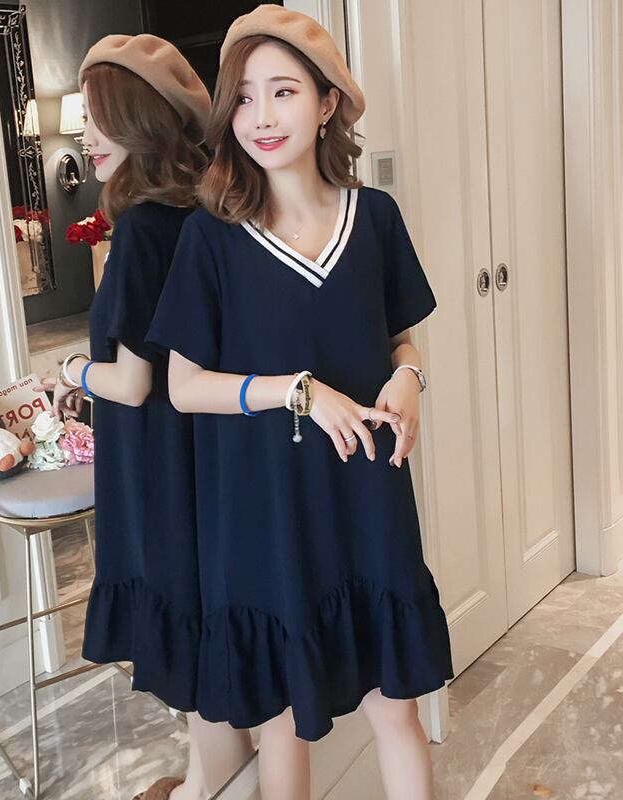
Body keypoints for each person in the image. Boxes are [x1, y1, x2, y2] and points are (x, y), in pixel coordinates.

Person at [145, 6, 455, 800]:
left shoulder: (374, 218)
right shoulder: (213, 239)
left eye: (283, 91)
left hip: (367, 500)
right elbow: (184, 386)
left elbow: (399, 340)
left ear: (327, 104)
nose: (261, 116)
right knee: (285, 720)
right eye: (244, 98)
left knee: (397, 710)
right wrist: (297, 392)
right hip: (267, 515)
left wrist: (410, 379)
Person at [35, 34, 254, 800]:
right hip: (202, 451)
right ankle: (212, 768)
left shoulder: (136, 233)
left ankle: (214, 778)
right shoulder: (200, 216)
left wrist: (71, 371)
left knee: (180, 618)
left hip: (156, 461)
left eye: (102, 118)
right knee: (201, 610)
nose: (88, 136)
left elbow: (130, 383)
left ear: (140, 122)